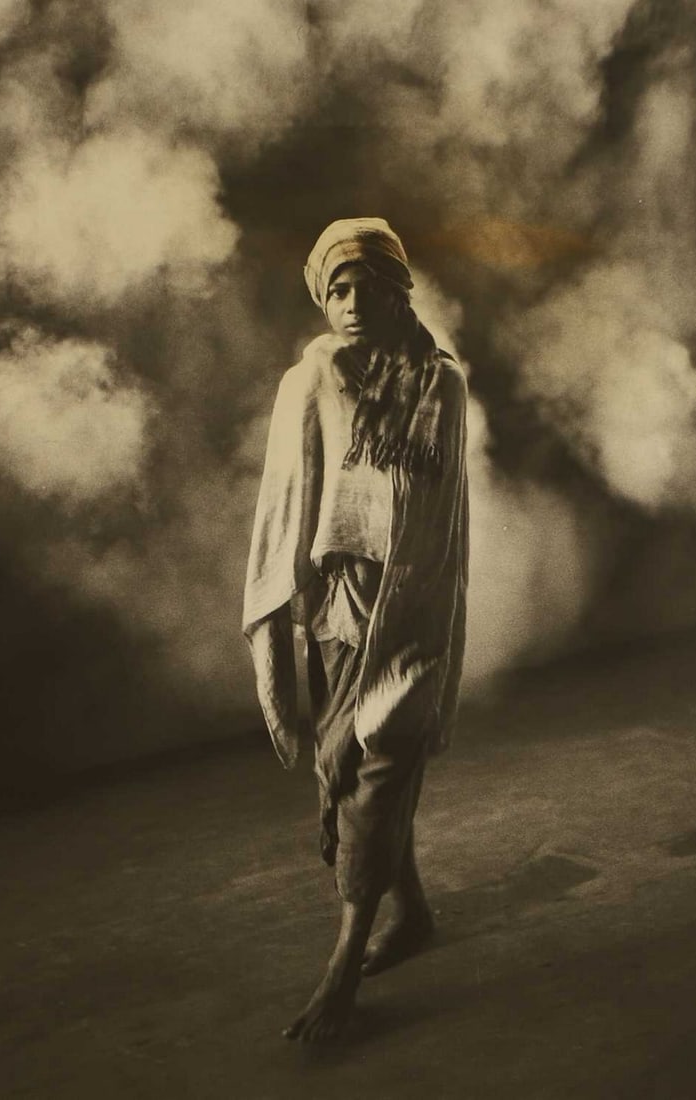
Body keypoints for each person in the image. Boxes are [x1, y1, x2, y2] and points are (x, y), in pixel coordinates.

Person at [242, 217, 469, 1042]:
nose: (350, 302)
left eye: (365, 285)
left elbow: (441, 519)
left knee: (378, 775)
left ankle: (341, 970)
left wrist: (417, 608)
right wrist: (292, 603)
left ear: (395, 289)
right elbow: (287, 501)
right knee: (347, 783)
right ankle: (410, 913)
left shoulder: (439, 383)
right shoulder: (313, 379)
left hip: (412, 609)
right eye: (335, 288)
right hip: (338, 615)